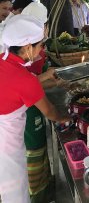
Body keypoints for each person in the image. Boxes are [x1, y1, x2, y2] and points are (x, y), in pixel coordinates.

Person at [0, 14, 70, 203]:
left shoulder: (3, 61)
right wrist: (66, 118)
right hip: (7, 147)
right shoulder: (25, 79)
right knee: (14, 192)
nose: (42, 50)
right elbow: (50, 112)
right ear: (27, 47)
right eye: (40, 45)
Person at [22, 2, 60, 203]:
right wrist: (63, 117)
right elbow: (26, 87)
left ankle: (43, 193)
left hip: (30, 111)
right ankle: (37, 197)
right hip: (24, 119)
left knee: (38, 154)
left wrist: (46, 78)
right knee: (32, 155)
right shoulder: (17, 64)